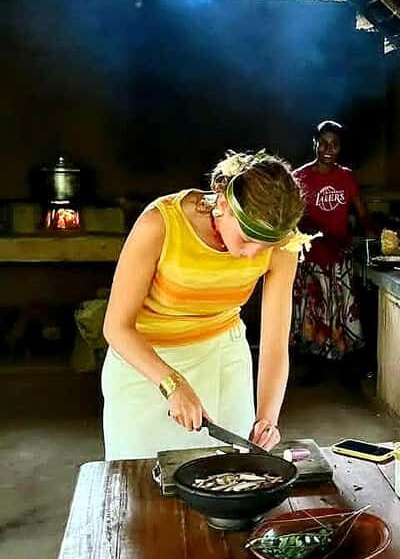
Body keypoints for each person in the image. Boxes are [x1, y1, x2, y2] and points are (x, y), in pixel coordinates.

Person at [102, 151, 308, 460]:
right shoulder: (160, 223)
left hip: (224, 356)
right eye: (246, 239)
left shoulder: (281, 243)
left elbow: (275, 344)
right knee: (141, 484)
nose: (252, 254)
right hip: (145, 362)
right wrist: (172, 384)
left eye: (263, 247)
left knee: (228, 476)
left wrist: (267, 416)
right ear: (222, 203)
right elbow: (116, 327)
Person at [292, 120, 370, 372]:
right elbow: (297, 218)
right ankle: (314, 365)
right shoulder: (300, 177)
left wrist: (376, 235)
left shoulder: (345, 176)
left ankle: (339, 364)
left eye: (334, 144)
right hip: (313, 258)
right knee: (314, 312)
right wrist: (325, 235)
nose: (328, 149)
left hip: (340, 257)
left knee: (340, 310)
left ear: (340, 148)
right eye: (323, 143)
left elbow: (362, 213)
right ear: (314, 144)